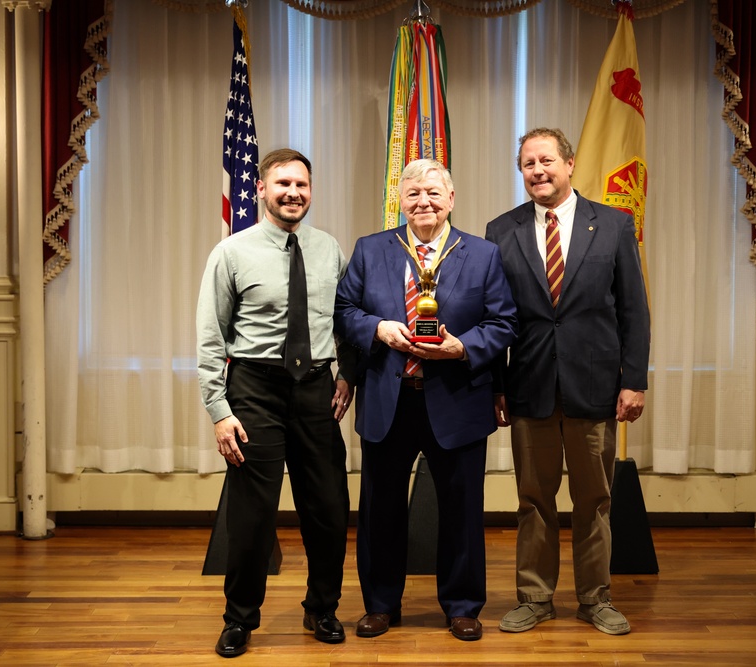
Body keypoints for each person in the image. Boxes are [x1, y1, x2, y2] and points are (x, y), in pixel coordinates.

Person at [335, 159, 517, 642]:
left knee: (461, 510)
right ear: (401, 201)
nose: (424, 202)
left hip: (457, 399)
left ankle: (461, 606)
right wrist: (376, 328)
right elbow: (344, 310)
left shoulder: (482, 255)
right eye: (413, 194)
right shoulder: (371, 250)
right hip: (388, 400)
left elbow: (503, 323)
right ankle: (380, 604)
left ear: (451, 199)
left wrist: (464, 347)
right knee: (380, 510)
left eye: (434, 193)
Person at [485, 128, 650, 636]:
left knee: (594, 501)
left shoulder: (615, 224)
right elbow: (493, 315)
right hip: (528, 386)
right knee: (534, 500)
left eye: (547, 161)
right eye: (528, 163)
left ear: (570, 164)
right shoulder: (500, 229)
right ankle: (534, 598)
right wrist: (496, 386)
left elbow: (634, 311)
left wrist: (634, 381)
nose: (538, 170)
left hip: (596, 387)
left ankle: (595, 599)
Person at [196, 148, 352, 658]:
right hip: (254, 391)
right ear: (261, 190)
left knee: (328, 508)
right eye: (282, 183)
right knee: (252, 515)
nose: (293, 193)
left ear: (311, 191)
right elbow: (210, 338)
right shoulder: (232, 252)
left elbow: (348, 320)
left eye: (302, 185)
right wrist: (220, 412)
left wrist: (347, 373)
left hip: (315, 389)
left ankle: (322, 609)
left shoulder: (329, 249)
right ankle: (239, 619)